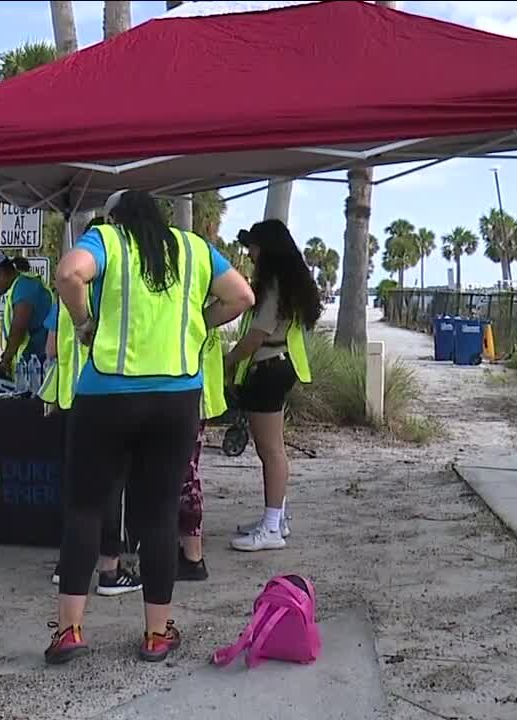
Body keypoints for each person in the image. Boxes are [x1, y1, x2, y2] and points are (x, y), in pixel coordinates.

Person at [46, 190, 254, 665]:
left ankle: (69, 631)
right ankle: (157, 635)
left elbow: (68, 274)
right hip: (176, 398)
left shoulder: (107, 241)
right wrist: (203, 321)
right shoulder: (195, 248)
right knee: (159, 514)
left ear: (114, 217)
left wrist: (84, 323)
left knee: (85, 508)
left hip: (106, 396)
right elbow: (243, 295)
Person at [40, 216, 141, 596]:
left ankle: (66, 564)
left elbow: (50, 348)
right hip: (106, 396)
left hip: (69, 400)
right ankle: (110, 570)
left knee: (77, 489)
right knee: (111, 486)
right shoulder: (116, 293)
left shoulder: (63, 295)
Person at [226, 219, 319, 553]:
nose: (249, 253)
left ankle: (271, 528)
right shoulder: (287, 282)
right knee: (272, 448)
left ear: (267, 248)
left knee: (270, 450)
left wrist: (229, 360)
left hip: (268, 368)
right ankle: (275, 517)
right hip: (277, 366)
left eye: (253, 246)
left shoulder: (273, 285)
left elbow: (255, 336)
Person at [176, 324, 230, 582]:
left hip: (189, 387)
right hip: (189, 384)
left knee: (186, 473)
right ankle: (186, 550)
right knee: (183, 472)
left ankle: (192, 556)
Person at [0, 249, 52, 378]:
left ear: (1, 272)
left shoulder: (25, 286)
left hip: (39, 366)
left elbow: (18, 328)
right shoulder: (17, 288)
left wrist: (5, 360)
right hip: (30, 367)